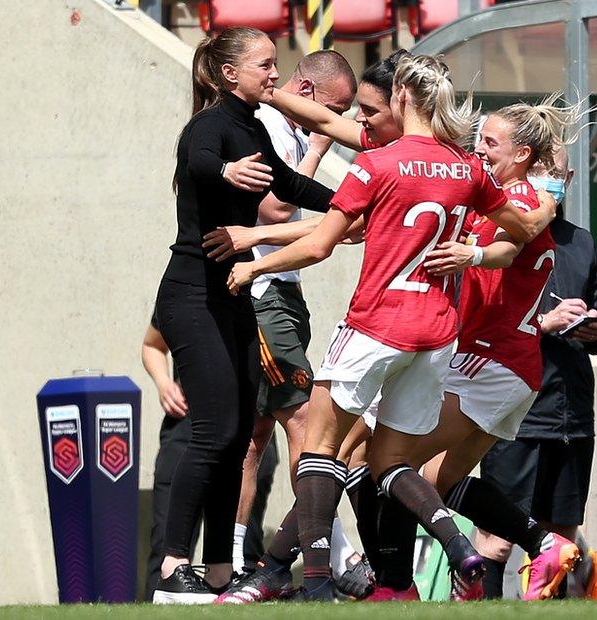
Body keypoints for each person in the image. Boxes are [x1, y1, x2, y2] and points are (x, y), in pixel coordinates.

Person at [226, 54, 557, 601]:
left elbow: (321, 242)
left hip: (380, 325)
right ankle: (456, 550)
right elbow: (521, 229)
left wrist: (255, 260)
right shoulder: (467, 169)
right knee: (391, 463)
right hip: (439, 339)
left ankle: (310, 584)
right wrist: (549, 200)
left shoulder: (378, 164)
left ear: (401, 96)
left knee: (320, 450)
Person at [152, 27, 334, 604]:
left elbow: (290, 183)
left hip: (231, 294)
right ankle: (170, 569)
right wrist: (228, 174)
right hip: (190, 295)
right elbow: (201, 163)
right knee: (211, 431)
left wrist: (358, 200)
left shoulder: (254, 125)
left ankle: (218, 572)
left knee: (235, 439)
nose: (275, 75)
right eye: (265, 65)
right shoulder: (209, 125)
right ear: (230, 73)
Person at [225, 49, 356, 576]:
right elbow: (276, 208)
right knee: (303, 419)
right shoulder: (273, 127)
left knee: (255, 436)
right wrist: (319, 147)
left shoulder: (290, 131)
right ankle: (334, 557)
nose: (341, 121)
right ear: (307, 94)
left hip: (283, 289)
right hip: (263, 294)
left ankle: (231, 559)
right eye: (338, 108)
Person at [475, 143, 597, 599]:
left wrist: (595, 328)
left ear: (569, 178)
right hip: (517, 409)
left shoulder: (582, 241)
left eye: (555, 172)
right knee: (496, 539)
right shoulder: (499, 237)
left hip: (572, 413)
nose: (547, 181)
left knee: (561, 542)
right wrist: (545, 324)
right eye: (538, 170)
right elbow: (484, 318)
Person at [141, 317, 279, 599]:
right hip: (187, 425)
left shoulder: (260, 284)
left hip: (248, 429)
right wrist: (164, 383)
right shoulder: (188, 287)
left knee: (242, 551)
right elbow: (152, 345)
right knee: (168, 548)